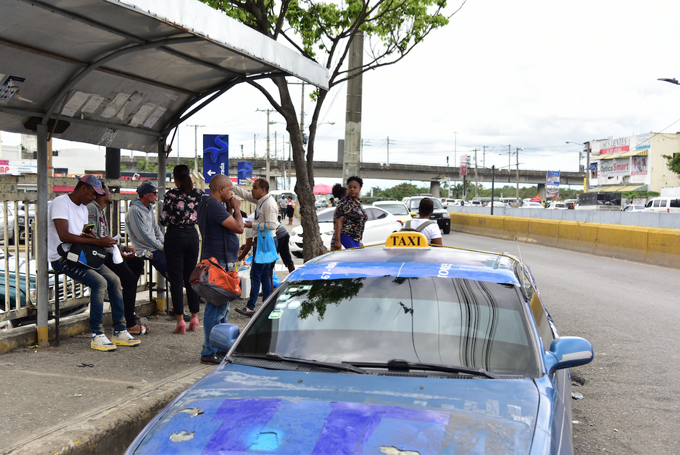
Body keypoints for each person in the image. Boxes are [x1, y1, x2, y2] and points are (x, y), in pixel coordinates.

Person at [49, 175, 139, 351]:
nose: (93, 197)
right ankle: (97, 334)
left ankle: (120, 330)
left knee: (115, 280)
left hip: (80, 255)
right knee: (100, 283)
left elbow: (83, 235)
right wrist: (97, 241)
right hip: (62, 257)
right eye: (92, 193)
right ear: (83, 188)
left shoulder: (83, 208)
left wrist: (97, 239)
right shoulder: (61, 202)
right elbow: (64, 235)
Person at [88, 183, 150, 336]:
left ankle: (125, 307)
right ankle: (129, 323)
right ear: (100, 193)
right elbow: (94, 239)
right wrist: (115, 250)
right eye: (108, 190)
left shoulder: (99, 210)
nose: (110, 193)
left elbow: (104, 238)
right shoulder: (91, 209)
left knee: (137, 263)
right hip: (98, 256)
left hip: (106, 252)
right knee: (129, 279)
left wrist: (122, 248)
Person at [196, 175, 243, 364]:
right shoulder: (213, 205)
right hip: (219, 263)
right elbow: (239, 227)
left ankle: (221, 347)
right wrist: (237, 208)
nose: (232, 193)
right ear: (221, 189)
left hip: (220, 260)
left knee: (222, 307)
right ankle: (209, 351)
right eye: (230, 189)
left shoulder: (210, 205)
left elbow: (223, 226)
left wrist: (229, 209)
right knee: (216, 309)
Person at [160, 165, 203, 334]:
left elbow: (164, 220)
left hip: (175, 236)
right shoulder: (198, 194)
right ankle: (195, 317)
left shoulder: (171, 195)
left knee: (176, 279)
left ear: (176, 178)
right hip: (192, 235)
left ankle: (180, 320)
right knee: (191, 277)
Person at [232, 178, 278, 317]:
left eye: (255, 188)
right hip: (263, 241)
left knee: (255, 275)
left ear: (263, 190)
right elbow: (245, 195)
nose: (252, 190)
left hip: (265, 242)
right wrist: (232, 186)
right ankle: (265, 307)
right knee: (264, 275)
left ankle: (250, 307)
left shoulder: (269, 203)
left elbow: (272, 225)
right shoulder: (261, 200)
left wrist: (252, 225)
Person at [126, 181, 168, 281]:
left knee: (178, 262)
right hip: (146, 249)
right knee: (171, 269)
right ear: (146, 195)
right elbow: (143, 236)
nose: (156, 195)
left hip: (154, 246)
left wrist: (164, 243)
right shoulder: (135, 210)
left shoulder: (149, 208)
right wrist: (161, 247)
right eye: (154, 193)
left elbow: (156, 229)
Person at [238, 219, 295, 290]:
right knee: (287, 260)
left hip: (276, 235)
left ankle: (270, 290)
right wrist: (249, 244)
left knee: (269, 265)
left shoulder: (248, 224)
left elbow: (248, 246)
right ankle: (296, 283)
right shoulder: (252, 218)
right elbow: (258, 238)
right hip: (283, 232)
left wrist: (238, 259)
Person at [332, 176, 367, 250]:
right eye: (350, 187)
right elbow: (338, 222)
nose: (352, 189)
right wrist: (338, 241)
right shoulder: (344, 202)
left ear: (360, 189)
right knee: (354, 256)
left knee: (358, 256)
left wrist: (358, 242)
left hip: (356, 239)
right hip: (345, 236)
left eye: (355, 187)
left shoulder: (358, 203)